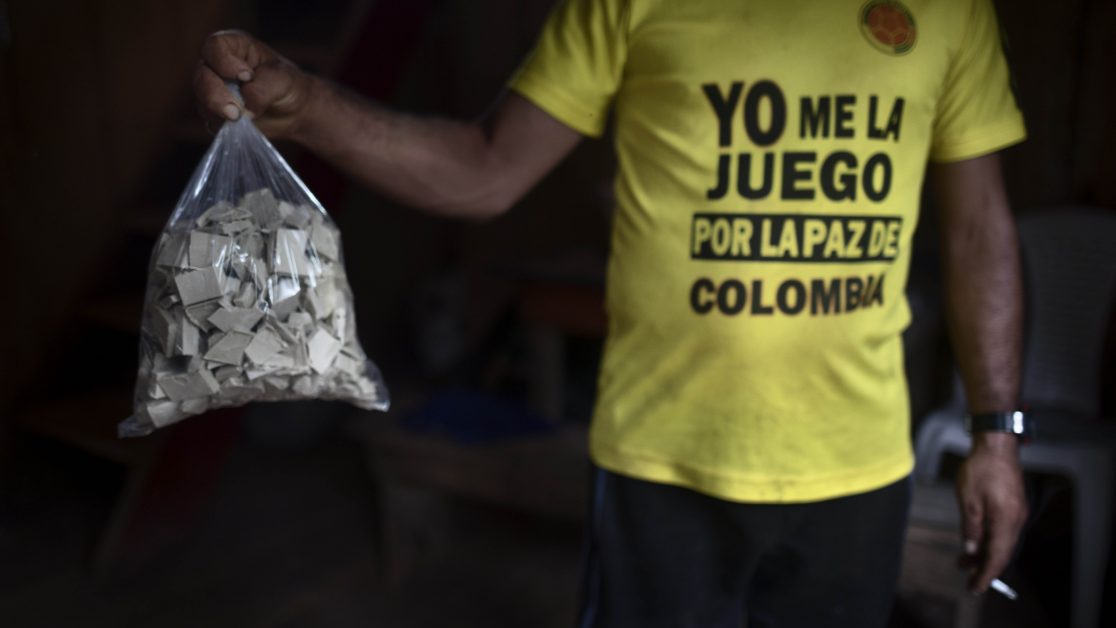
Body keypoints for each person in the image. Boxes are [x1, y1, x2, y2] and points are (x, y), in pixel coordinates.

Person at [195, 0, 1029, 625]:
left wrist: (997, 433)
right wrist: (306, 106)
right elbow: (484, 171)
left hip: (858, 471)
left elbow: (979, 229)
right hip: (661, 466)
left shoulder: (949, 9)